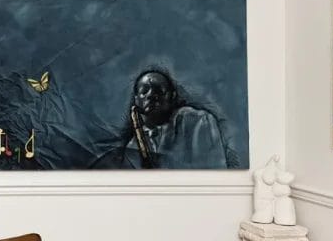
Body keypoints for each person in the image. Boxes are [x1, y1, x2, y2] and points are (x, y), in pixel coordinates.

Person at [94, 69, 231, 169]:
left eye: (159, 90)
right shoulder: (132, 147)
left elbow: (214, 171)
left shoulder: (197, 121)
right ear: (136, 100)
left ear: (171, 96)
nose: (151, 95)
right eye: (144, 91)